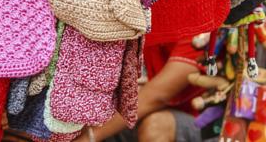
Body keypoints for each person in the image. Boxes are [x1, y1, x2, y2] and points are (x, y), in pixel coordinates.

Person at [74, 37, 207, 142]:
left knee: (157, 126)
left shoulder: (202, 26)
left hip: (202, 122)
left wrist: (90, 136)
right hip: (143, 109)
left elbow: (157, 96)